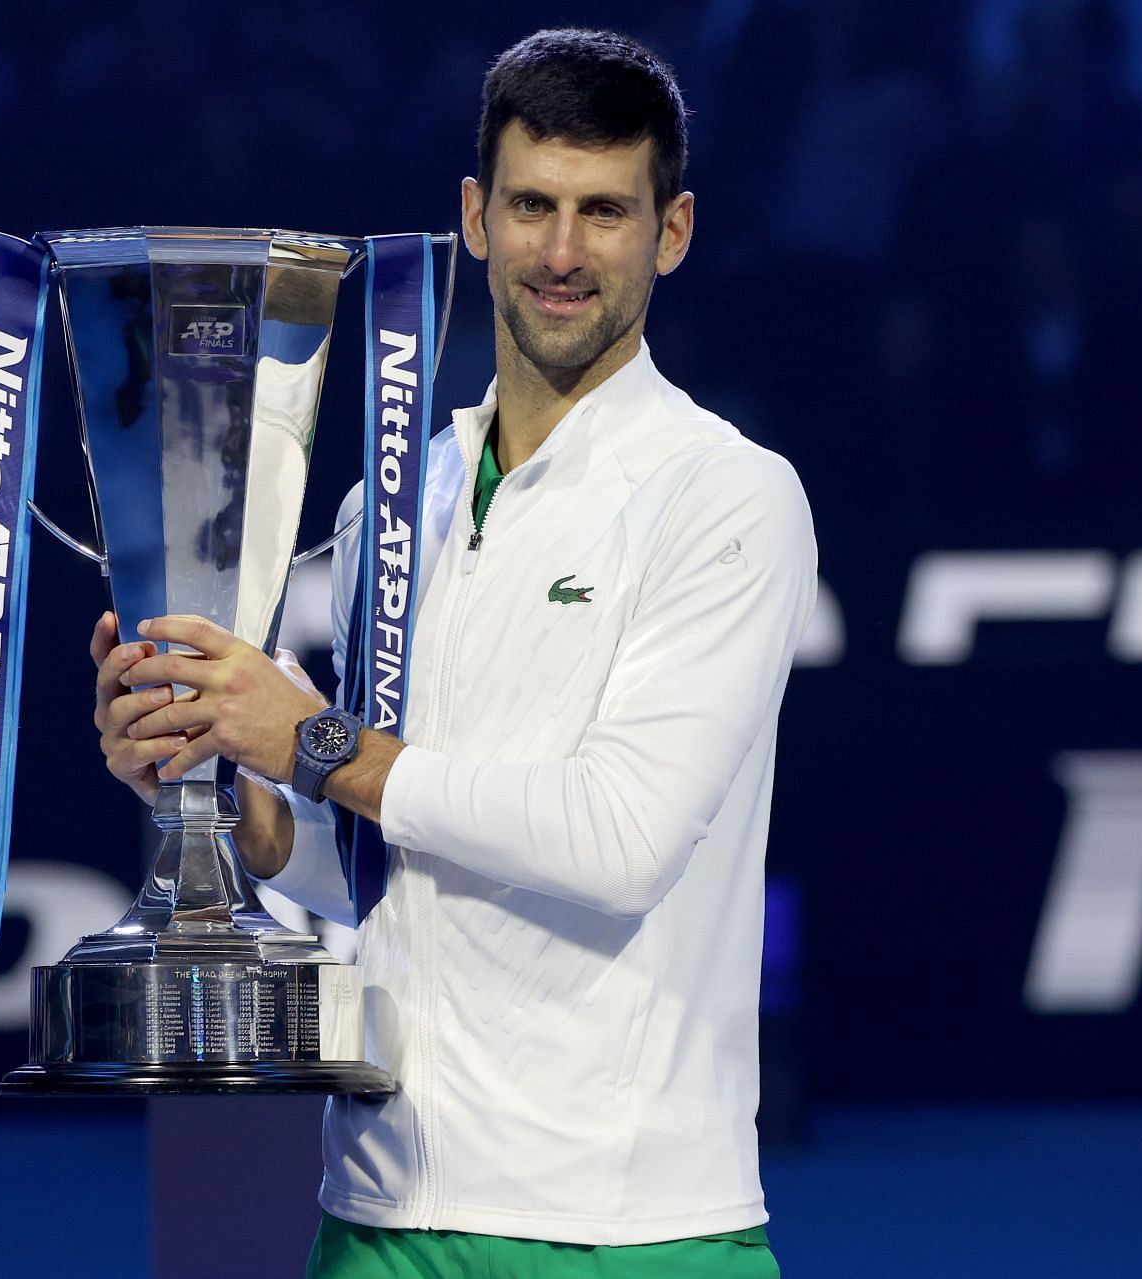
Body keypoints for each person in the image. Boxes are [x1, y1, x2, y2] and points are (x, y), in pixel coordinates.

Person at [90, 28, 816, 1277]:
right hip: (377, 1211)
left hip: (626, 1227)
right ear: (475, 217)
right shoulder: (394, 498)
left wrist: (310, 740)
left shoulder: (728, 495)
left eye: (606, 212)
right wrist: (222, 789)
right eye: (533, 205)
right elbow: (376, 861)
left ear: (675, 231)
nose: (563, 252)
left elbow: (618, 838)